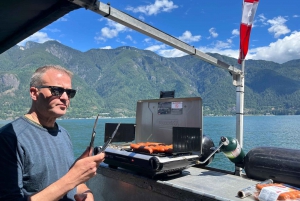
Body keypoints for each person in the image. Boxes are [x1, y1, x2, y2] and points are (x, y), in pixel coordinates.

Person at [0, 65, 105, 201]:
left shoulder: (63, 134)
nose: (65, 98)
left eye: (70, 93)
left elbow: (73, 184)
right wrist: (72, 179)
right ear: (34, 93)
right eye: (57, 91)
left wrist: (87, 192)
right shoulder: (10, 139)